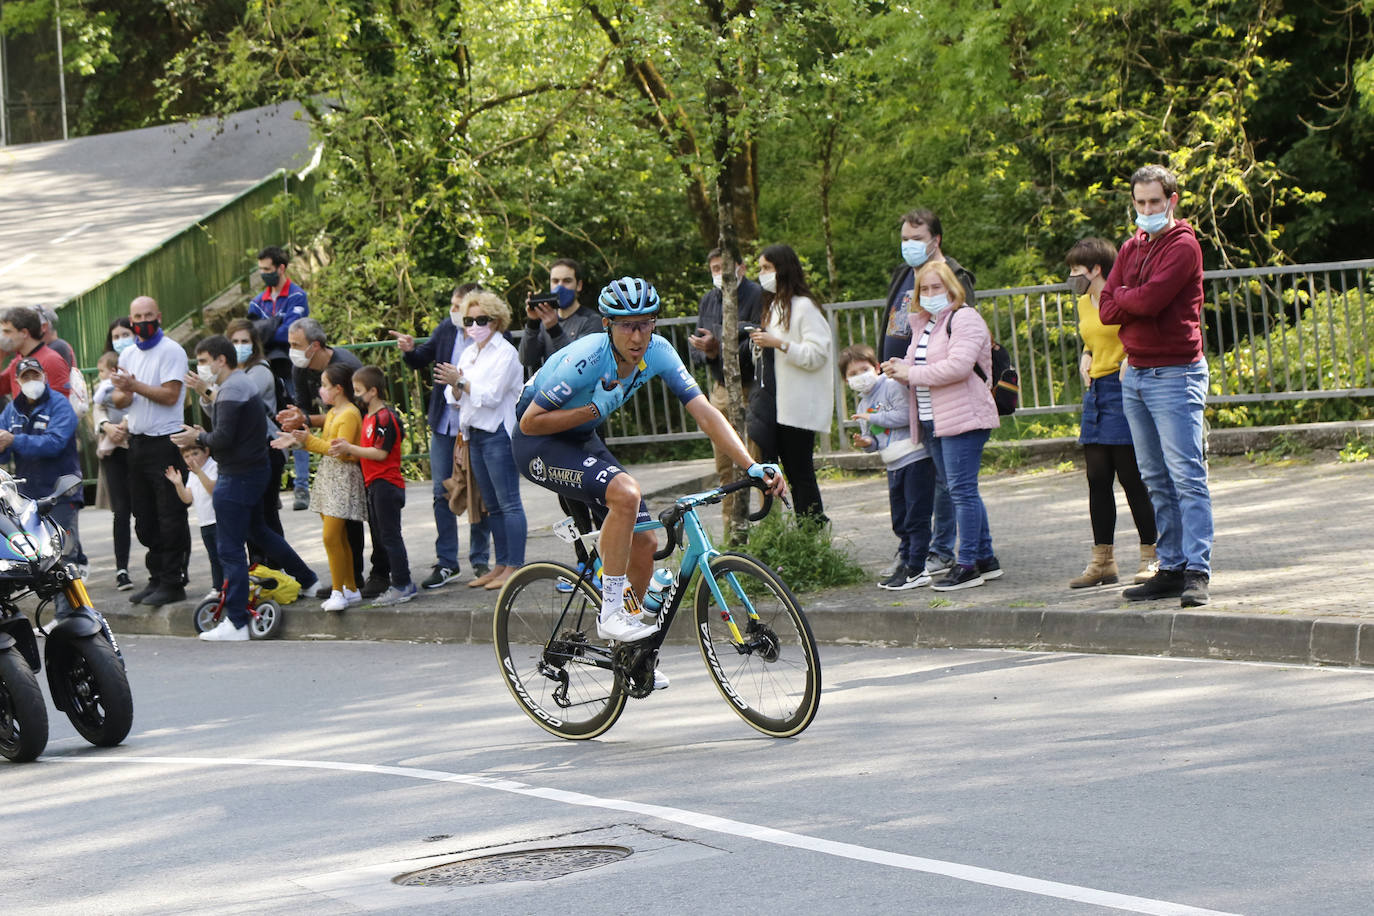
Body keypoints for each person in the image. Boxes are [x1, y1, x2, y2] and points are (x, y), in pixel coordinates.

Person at [512, 276, 786, 661]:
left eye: (645, 323)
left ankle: (630, 653)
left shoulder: (658, 350)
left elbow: (705, 412)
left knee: (646, 541)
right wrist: (591, 411)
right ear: (608, 324)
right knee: (626, 493)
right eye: (626, 324)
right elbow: (529, 423)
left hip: (580, 438)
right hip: (537, 444)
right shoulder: (586, 358)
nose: (637, 335)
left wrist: (751, 465)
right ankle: (610, 612)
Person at [1098, 164, 1213, 608]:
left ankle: (1197, 570)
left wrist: (1128, 295)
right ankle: (1170, 567)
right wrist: (1130, 297)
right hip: (1137, 372)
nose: (1146, 209)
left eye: (1154, 201)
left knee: (1187, 476)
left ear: (1172, 199)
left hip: (1175, 372)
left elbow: (1147, 300)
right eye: (1140, 202)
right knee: (1154, 478)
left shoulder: (1183, 245)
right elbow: (1108, 310)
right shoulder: (1131, 247)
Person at [172, 335, 321, 642]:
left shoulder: (232, 390)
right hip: (251, 471)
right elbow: (229, 430)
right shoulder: (236, 385)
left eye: (202, 361)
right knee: (261, 532)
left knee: (229, 550)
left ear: (220, 360)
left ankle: (237, 622)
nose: (200, 368)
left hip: (237, 476)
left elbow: (223, 438)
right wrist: (204, 434)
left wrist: (197, 438)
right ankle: (308, 580)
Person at [883, 261, 1002, 591]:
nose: (931, 293)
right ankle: (985, 558)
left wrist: (911, 374)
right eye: (924, 288)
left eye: (937, 287)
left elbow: (958, 367)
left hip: (964, 418)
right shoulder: (926, 323)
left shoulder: (965, 318)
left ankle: (967, 565)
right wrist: (899, 366)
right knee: (959, 488)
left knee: (961, 490)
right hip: (933, 418)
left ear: (952, 287)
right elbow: (917, 361)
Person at [877, 209, 974, 579]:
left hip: (937, 388)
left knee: (944, 478)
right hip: (902, 387)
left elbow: (958, 335)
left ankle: (942, 549)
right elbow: (893, 322)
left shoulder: (954, 274)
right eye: (905, 238)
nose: (909, 245)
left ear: (936, 240)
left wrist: (915, 370)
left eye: (916, 238)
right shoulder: (904, 274)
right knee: (911, 476)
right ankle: (912, 549)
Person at [1065, 237, 1158, 589]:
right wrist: (1086, 355)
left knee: (1132, 477)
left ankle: (1153, 555)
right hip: (1097, 391)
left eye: (1077, 269)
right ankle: (1102, 560)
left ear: (1096, 269)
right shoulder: (1084, 302)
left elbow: (1140, 331)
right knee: (1097, 478)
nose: (1072, 275)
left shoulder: (1121, 294)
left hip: (1124, 388)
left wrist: (1131, 359)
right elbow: (1092, 338)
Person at [394, 283, 494, 590]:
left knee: (479, 492)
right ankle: (447, 562)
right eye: (452, 304)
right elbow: (421, 358)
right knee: (441, 492)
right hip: (443, 426)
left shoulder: (486, 336)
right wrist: (410, 350)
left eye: (459, 305)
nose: (453, 310)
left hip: (474, 427)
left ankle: (480, 559)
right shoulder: (446, 330)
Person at [278, 317, 383, 595]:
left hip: (365, 443)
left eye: (296, 345)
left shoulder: (348, 366)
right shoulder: (301, 369)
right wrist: (297, 419)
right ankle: (351, 579)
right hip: (336, 445)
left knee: (374, 514)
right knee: (344, 517)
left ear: (315, 345)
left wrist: (309, 424)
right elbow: (306, 411)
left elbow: (358, 412)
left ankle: (382, 572)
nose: (292, 350)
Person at [109, 296, 191, 607]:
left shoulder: (171, 351)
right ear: (131, 321)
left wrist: (135, 385)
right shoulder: (128, 354)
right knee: (143, 516)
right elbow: (119, 399)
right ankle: (156, 577)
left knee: (169, 514)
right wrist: (124, 388)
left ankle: (173, 579)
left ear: (158, 315)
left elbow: (171, 395)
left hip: (166, 442)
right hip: (138, 442)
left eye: (148, 315)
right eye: (137, 317)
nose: (142, 321)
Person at [444, 289, 526, 591]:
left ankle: (515, 566)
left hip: (498, 435)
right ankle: (501, 565)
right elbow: (453, 395)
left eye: (481, 319)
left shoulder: (506, 353)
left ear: (496, 320)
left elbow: (490, 396)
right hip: (473, 434)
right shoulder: (469, 351)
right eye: (468, 320)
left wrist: (460, 382)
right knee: (491, 505)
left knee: (509, 503)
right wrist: (455, 386)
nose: (474, 325)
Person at [746, 244, 832, 521]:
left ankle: (812, 528)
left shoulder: (804, 307)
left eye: (767, 268)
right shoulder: (773, 307)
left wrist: (779, 344)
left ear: (782, 269)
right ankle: (778, 530)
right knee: (776, 471)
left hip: (797, 407)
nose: (762, 275)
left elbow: (817, 354)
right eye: (760, 269)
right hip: (774, 404)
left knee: (800, 473)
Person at [842, 343, 934, 590]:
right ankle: (906, 563)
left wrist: (873, 418)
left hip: (915, 458)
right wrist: (866, 442)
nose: (859, 376)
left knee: (917, 517)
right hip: (893, 464)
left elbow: (905, 416)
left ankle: (917, 568)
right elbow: (875, 439)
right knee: (900, 519)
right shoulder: (863, 406)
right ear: (845, 379)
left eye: (864, 369)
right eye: (852, 374)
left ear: (875, 367)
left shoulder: (892, 387)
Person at [275, 363, 366, 611]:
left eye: (325, 385)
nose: (320, 390)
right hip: (329, 477)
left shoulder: (348, 413)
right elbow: (323, 444)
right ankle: (350, 587)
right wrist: (297, 440)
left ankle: (339, 591)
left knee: (331, 537)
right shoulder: (335, 412)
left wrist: (309, 440)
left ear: (338, 388)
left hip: (342, 477)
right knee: (339, 538)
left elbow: (340, 450)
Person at [688, 246, 765, 528]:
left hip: (752, 388)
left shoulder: (757, 296)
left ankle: (770, 527)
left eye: (725, 267)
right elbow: (696, 349)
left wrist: (719, 346)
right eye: (715, 269)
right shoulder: (708, 300)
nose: (720, 273)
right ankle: (732, 531)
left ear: (741, 268)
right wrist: (708, 352)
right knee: (725, 467)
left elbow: (758, 342)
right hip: (719, 389)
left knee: (758, 461)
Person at [328, 365, 416, 607]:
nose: (356, 395)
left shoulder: (384, 417)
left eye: (359, 390)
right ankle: (399, 582)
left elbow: (380, 453)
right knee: (382, 535)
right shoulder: (369, 416)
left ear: (373, 391)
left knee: (390, 536)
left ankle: (402, 583)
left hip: (386, 484)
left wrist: (349, 448)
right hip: (374, 484)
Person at [0, 358, 82, 574]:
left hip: (61, 493)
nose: (31, 380)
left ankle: (69, 609)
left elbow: (54, 443)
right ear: (17, 381)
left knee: (63, 557)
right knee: (37, 558)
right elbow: (3, 449)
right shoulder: (12, 410)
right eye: (26, 377)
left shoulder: (60, 404)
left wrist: (13, 440)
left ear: (44, 376)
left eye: (35, 375)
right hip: (28, 500)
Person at [246, 245, 312, 512]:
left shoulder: (297, 296)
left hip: (290, 367)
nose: (263, 274)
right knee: (265, 422)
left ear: (281, 268)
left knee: (295, 421)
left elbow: (290, 333)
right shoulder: (257, 301)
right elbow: (251, 333)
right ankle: (272, 486)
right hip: (264, 367)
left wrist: (267, 328)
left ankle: (302, 487)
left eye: (267, 270)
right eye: (261, 270)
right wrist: (272, 326)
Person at [92, 343, 133, 590]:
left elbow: (138, 404)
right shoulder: (103, 389)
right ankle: (122, 569)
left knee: (143, 510)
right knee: (121, 512)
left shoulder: (129, 381)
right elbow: (97, 409)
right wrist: (108, 427)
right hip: (113, 452)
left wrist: (125, 426)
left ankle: (157, 565)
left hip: (133, 447)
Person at [517, 258, 603, 374]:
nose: (560, 286)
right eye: (555, 281)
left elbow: (579, 365)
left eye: (567, 281)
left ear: (579, 285)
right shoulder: (546, 321)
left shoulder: (591, 321)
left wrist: (554, 329)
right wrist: (533, 322)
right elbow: (526, 359)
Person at [166, 443, 222, 602]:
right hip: (204, 522)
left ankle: (226, 586)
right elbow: (187, 498)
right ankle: (218, 587)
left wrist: (199, 472)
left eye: (195, 454)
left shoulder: (213, 467)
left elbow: (213, 490)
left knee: (225, 556)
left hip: (218, 521)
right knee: (213, 557)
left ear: (206, 451)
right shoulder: (192, 474)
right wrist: (178, 484)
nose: (191, 459)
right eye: (187, 456)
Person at [0, 306, 71, 401]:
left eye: (7, 332)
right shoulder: (18, 361)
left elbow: (61, 406)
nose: (3, 337)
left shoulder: (51, 360)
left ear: (24, 333)